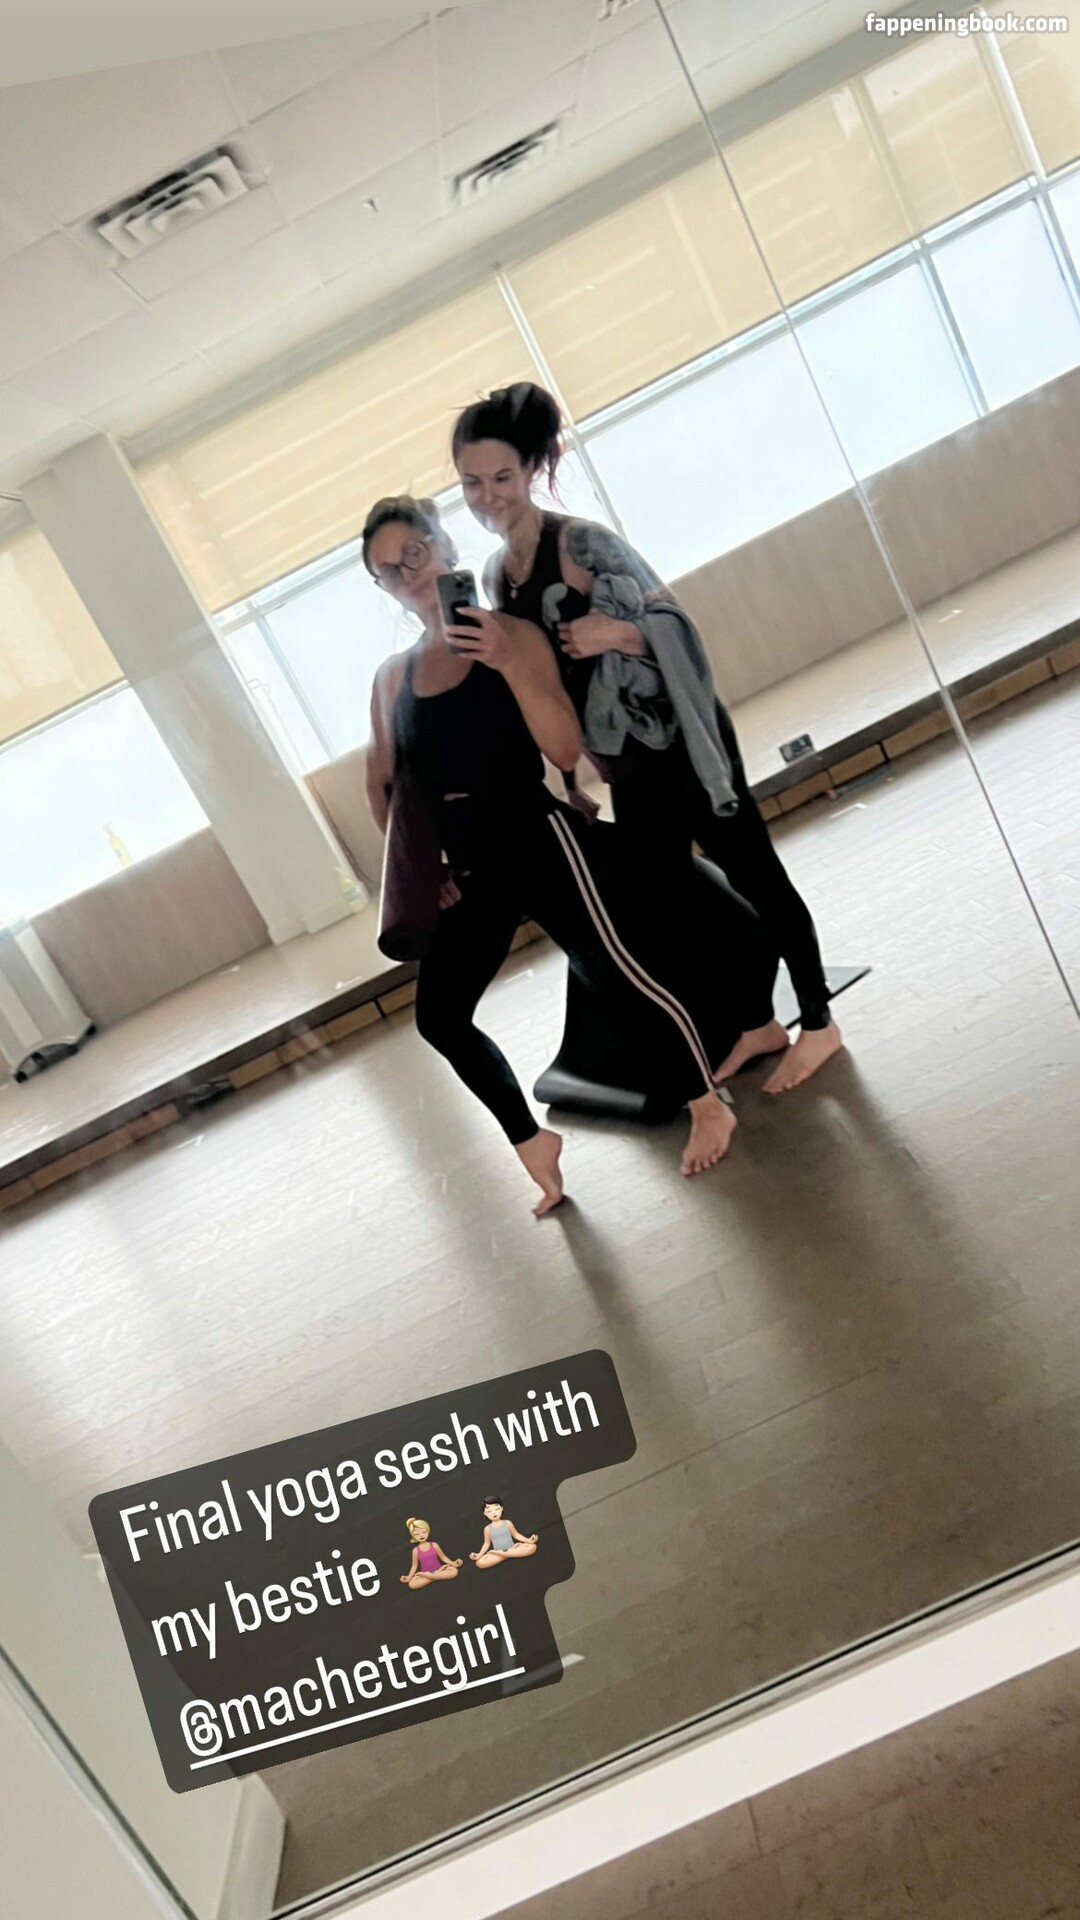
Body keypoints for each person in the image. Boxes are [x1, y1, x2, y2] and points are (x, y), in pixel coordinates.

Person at [362, 494, 778, 1214]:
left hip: (535, 835)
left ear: (444, 546)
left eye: (415, 555)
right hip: (469, 868)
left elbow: (562, 749)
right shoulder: (392, 677)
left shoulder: (513, 635)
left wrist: (507, 663)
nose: (408, 576)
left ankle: (706, 1103)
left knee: (616, 970)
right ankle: (533, 1142)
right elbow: (383, 785)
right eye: (388, 573)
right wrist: (427, 874)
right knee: (440, 1016)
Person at [450, 382, 842, 1095]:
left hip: (683, 742)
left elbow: (675, 625)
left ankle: (818, 1021)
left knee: (754, 873)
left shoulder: (582, 543)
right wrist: (571, 779)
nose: (487, 496)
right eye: (472, 483)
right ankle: (757, 1021)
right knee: (668, 901)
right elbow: (542, 682)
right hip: (624, 763)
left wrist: (616, 633)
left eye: (501, 477)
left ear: (531, 469)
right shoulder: (496, 577)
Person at [469, 1500, 538, 1568]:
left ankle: (503, 1554)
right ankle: (507, 1554)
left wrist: (528, 1540)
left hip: (511, 1548)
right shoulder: (487, 1529)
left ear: (502, 1508)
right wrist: (479, 1554)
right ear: (485, 1513)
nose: (494, 1513)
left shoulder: (507, 1523)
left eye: (496, 1509)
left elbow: (516, 1535)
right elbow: (486, 1543)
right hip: (500, 1551)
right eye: (489, 1511)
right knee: (479, 1563)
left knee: (532, 1547)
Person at [400, 1517, 462, 1589]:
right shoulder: (415, 1550)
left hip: (438, 1570)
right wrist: (409, 1577)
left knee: (454, 1570)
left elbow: (443, 1557)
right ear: (413, 1536)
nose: (421, 1535)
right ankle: (435, 1576)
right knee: (412, 1584)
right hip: (429, 1573)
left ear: (428, 1531)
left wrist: (452, 1563)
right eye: (416, 1534)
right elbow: (414, 1566)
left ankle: (431, 1577)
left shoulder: (434, 1545)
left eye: (424, 1532)